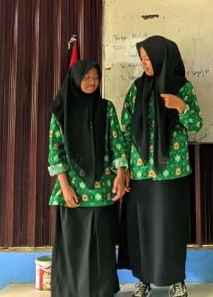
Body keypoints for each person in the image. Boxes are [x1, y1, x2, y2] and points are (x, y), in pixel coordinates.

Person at [117, 35, 203, 297]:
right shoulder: (137, 88)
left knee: (171, 227)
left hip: (172, 170)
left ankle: (176, 280)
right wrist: (124, 168)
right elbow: (125, 129)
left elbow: (196, 125)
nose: (144, 63)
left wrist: (181, 106)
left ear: (162, 58)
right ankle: (144, 279)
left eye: (148, 59)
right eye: (142, 59)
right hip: (141, 170)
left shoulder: (182, 87)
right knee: (142, 228)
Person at [47, 60, 129, 297]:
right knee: (74, 244)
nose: (92, 82)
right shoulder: (61, 111)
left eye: (96, 77)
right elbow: (55, 151)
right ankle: (73, 291)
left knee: (102, 244)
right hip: (73, 189)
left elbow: (117, 143)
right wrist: (64, 186)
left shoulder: (106, 108)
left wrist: (121, 174)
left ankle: (102, 290)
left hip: (102, 189)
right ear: (75, 79)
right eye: (87, 78)